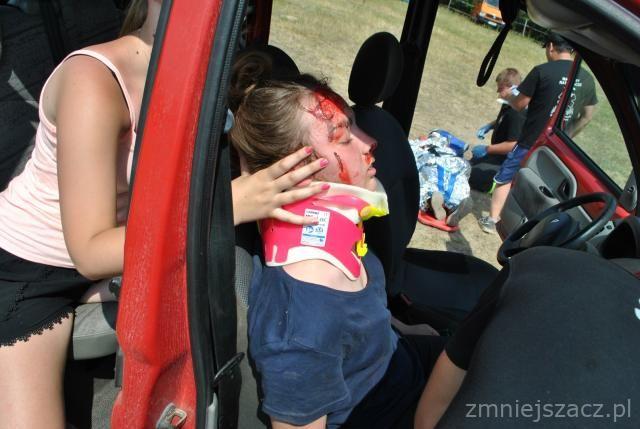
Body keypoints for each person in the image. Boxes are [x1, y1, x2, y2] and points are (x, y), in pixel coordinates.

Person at [0, 2, 328, 427]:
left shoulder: (196, 76)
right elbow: (90, 252)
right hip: (28, 271)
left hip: (121, 244)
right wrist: (229, 206)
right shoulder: (94, 81)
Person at [229, 52, 445, 429]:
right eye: (344, 137)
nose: (370, 142)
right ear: (296, 170)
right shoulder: (303, 323)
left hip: (408, 371)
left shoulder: (344, 253)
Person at [477, 33, 597, 234]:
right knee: (542, 186)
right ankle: (531, 228)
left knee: (505, 178)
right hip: (556, 146)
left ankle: (492, 220)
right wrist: (566, 135)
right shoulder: (586, 78)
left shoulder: (542, 71)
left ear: (551, 47)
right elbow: (587, 116)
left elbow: (520, 104)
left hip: (530, 140)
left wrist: (512, 97)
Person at [469, 68, 527, 193]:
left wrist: (487, 149)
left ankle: (498, 187)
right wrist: (490, 125)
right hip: (496, 155)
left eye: (501, 89)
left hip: (505, 161)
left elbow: (513, 145)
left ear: (513, 88)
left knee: (472, 175)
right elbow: (503, 119)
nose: (497, 91)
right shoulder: (509, 103)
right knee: (468, 164)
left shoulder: (517, 113)